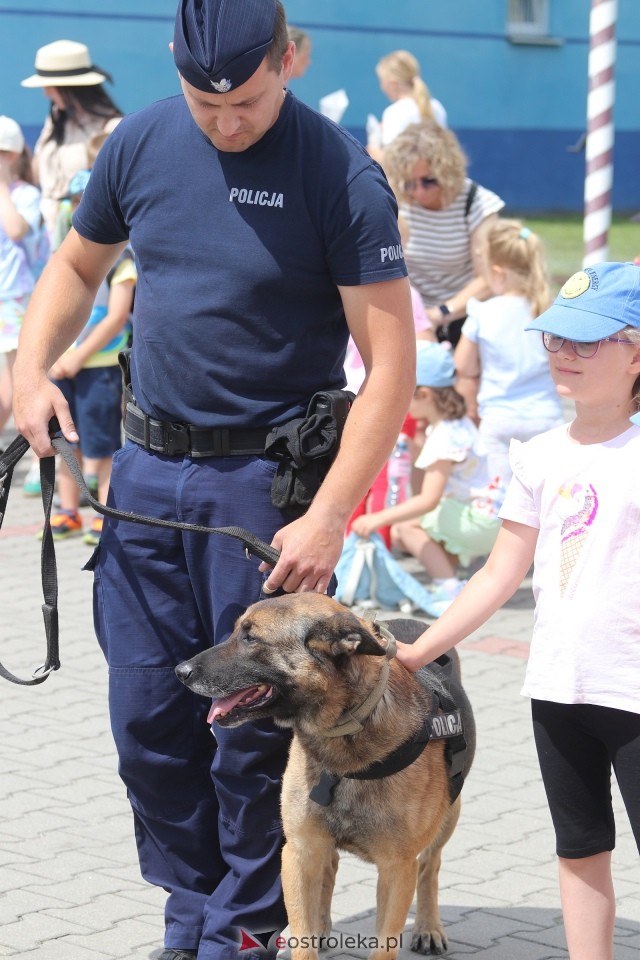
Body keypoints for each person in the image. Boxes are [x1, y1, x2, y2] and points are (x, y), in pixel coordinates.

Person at [12, 1, 416, 958]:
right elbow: (76, 263)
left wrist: (328, 517)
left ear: (287, 59)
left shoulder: (341, 175)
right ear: (173, 69)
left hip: (263, 493)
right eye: (207, 103)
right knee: (148, 721)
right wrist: (29, 369)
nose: (228, 122)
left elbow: (390, 369)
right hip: (146, 477)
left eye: (249, 100)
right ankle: (188, 909)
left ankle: (242, 928)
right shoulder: (142, 141)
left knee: (249, 732)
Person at [395, 261, 640, 960]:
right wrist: (419, 649)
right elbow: (499, 574)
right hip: (560, 688)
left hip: (635, 689)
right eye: (556, 339)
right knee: (579, 845)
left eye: (587, 342)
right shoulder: (536, 456)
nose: (565, 353)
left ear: (636, 353)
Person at [352, 342, 503, 614]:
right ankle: (452, 579)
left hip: (479, 522)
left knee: (404, 528)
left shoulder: (444, 436)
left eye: (405, 393)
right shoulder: (456, 422)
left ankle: (449, 589)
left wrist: (377, 518)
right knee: (410, 529)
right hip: (489, 518)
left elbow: (428, 501)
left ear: (424, 394)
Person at [41, 168, 135, 546]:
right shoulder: (62, 255)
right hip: (62, 365)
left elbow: (116, 318)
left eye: (86, 202)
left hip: (98, 367)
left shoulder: (124, 260)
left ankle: (105, 513)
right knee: (65, 442)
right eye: (75, 203)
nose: (80, 211)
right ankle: (67, 510)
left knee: (103, 444)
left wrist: (78, 357)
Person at [454, 218, 565, 482]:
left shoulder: (482, 312)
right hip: (546, 417)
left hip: (498, 419)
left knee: (498, 499)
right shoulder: (549, 311)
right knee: (545, 496)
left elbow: (463, 365)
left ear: (498, 272)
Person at [383, 120, 504, 356]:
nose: (418, 191)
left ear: (448, 172)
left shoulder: (477, 204)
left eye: (429, 181)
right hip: (409, 317)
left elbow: (489, 278)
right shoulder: (395, 199)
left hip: (462, 317)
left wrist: (441, 313)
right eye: (409, 183)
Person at [21, 39, 123, 239]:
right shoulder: (56, 123)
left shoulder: (111, 128)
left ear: (70, 88)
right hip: (46, 239)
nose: (45, 93)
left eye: (50, 86)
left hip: (83, 239)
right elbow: (36, 173)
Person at [0, 117, 43, 435]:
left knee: (16, 388)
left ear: (11, 155)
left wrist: (1, 186)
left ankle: (35, 452)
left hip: (14, 298)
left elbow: (16, 230)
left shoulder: (25, 194)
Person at [367, 49, 447, 163]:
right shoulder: (437, 107)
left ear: (393, 84)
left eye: (381, 81)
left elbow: (392, 164)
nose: (381, 87)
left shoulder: (394, 113)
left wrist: (373, 149)